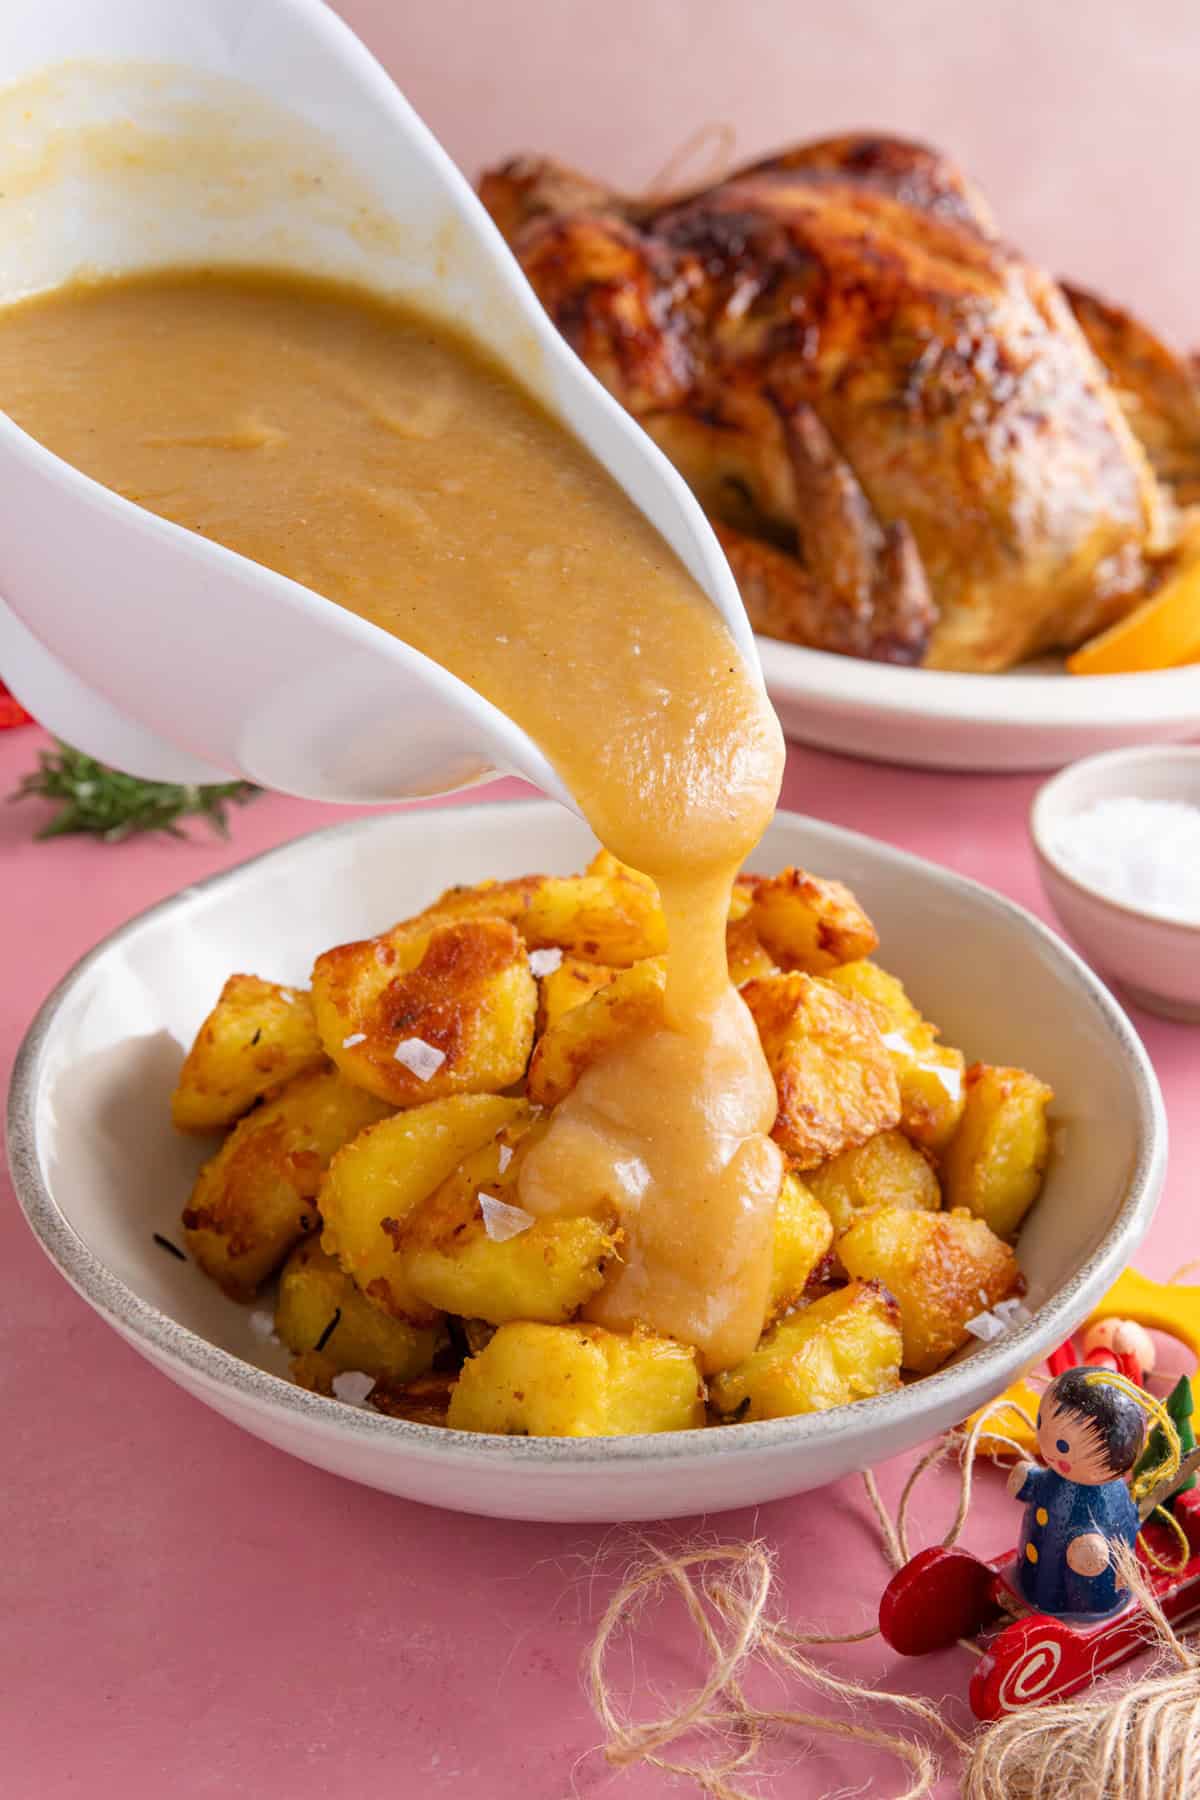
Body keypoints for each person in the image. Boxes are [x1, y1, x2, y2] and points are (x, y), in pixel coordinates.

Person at [1007, 1366, 1146, 1615]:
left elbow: (1112, 1536)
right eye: (1041, 1423)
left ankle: (1087, 1610)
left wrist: (1092, 1548)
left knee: (1081, 1589)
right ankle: (1032, 1590)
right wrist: (1029, 1481)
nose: (1046, 1443)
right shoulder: (1057, 1477)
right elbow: (1041, 1486)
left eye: (1062, 1445)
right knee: (1038, 1578)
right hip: (1035, 1573)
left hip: (1085, 1596)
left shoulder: (1109, 1496)